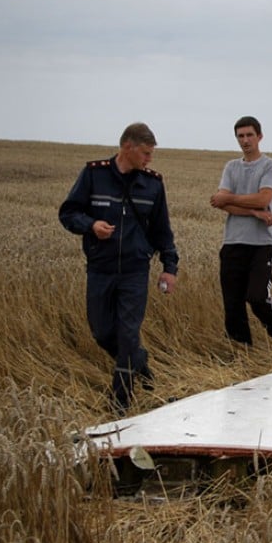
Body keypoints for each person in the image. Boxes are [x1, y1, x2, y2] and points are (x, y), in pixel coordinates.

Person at [59, 122, 179, 415]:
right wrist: (91, 225)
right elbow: (68, 213)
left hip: (136, 271)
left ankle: (120, 404)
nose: (149, 160)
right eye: (146, 153)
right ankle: (141, 366)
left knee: (127, 335)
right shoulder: (94, 174)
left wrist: (169, 266)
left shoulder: (152, 183)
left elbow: (163, 230)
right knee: (101, 332)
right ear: (128, 147)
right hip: (100, 269)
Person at [209, 116, 272, 354]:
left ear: (260, 137)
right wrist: (255, 212)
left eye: (249, 135)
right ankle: (241, 353)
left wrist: (230, 198)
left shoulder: (270, 166)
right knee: (232, 304)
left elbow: (264, 198)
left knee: (257, 296)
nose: (245, 140)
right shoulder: (231, 167)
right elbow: (220, 203)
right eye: (240, 136)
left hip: (261, 244)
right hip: (233, 242)